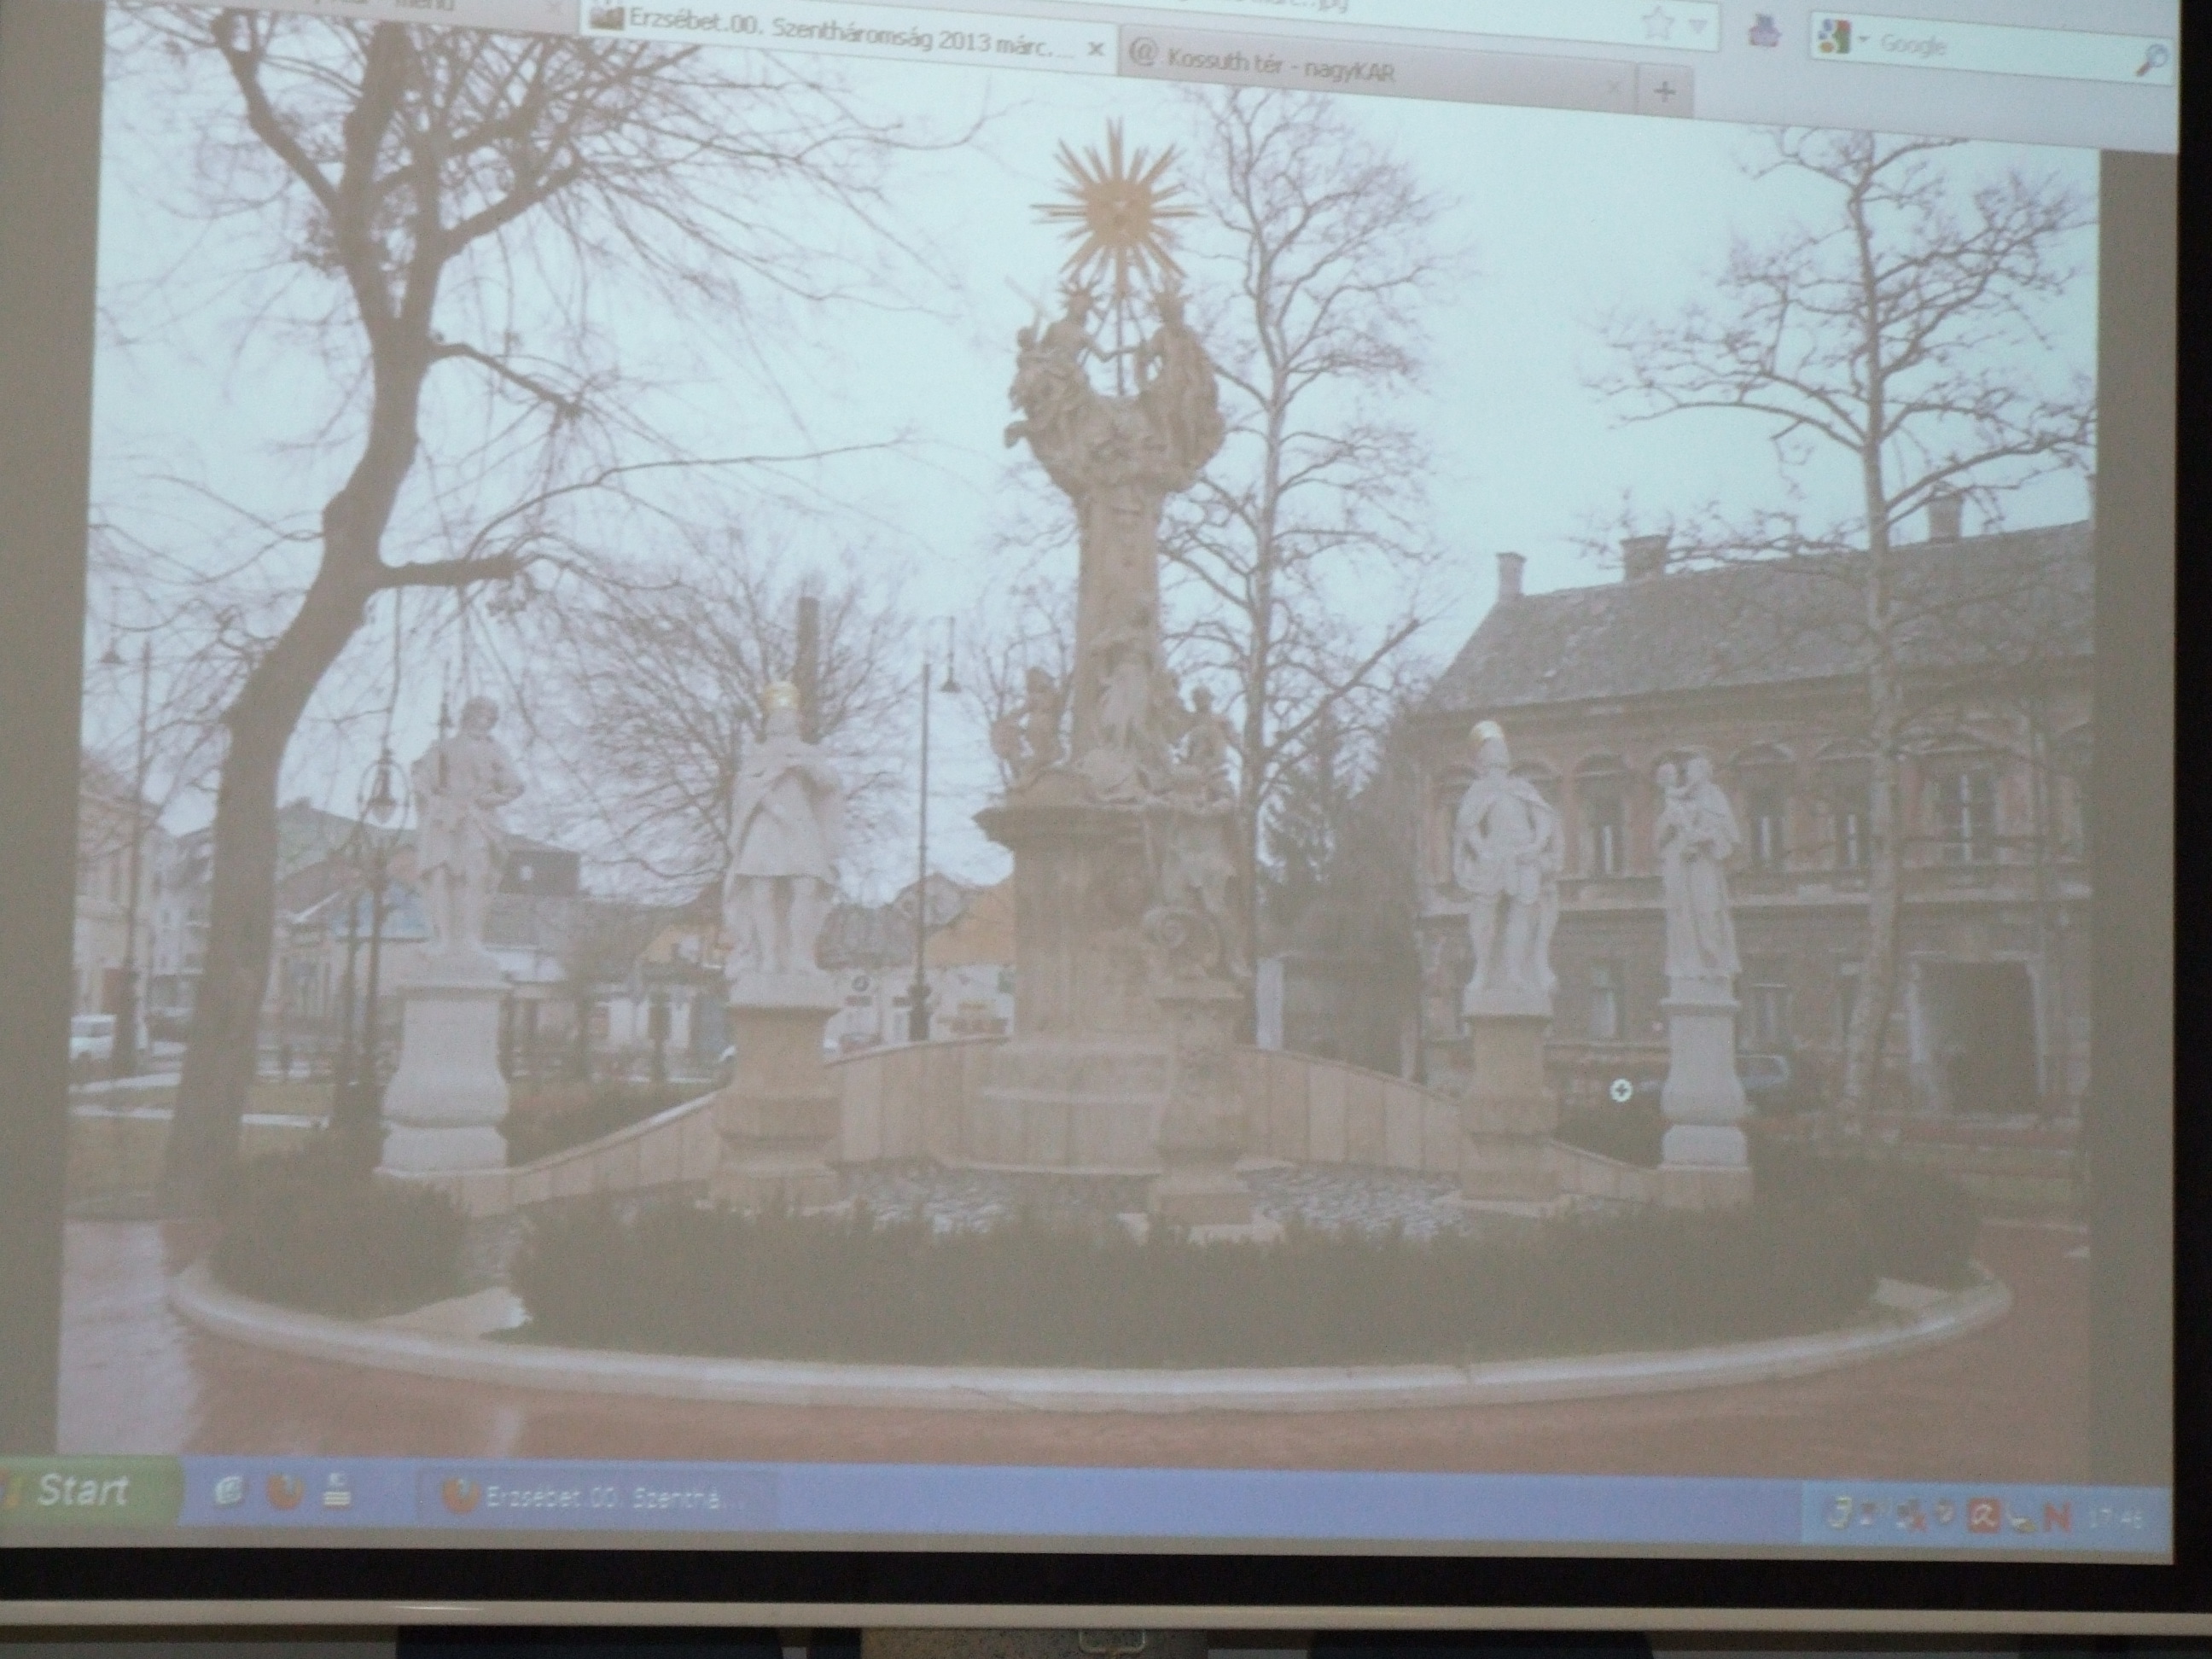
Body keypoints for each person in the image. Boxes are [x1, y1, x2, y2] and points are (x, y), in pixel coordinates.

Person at [725, 682, 844, 979]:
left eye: (789, 715)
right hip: (766, 828)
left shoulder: (808, 753)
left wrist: (804, 766)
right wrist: (768, 800)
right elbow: (744, 791)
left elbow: (829, 785)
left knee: (807, 886)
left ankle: (800, 956)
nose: (784, 721)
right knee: (762, 890)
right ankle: (768, 958)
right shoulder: (758, 754)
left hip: (800, 826)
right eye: (778, 716)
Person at [1451, 719, 1564, 1010]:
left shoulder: (1522, 787)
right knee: (1484, 913)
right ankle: (1482, 971)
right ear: (1482, 759)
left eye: (1501, 749)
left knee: (1523, 912)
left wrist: (1536, 846)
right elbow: (1467, 825)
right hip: (1493, 855)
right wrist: (1481, 850)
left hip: (1524, 855)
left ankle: (1515, 972)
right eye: (1492, 750)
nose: (1498, 754)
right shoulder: (1479, 789)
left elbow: (1544, 819)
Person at [410, 696, 524, 960]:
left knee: (475, 876)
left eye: (492, 717)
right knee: (440, 874)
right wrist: (433, 799)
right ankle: (444, 939)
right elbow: (422, 778)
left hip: (477, 819)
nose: (488, 721)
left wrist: (489, 800)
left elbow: (514, 785)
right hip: (445, 818)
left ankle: (471, 938)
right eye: (484, 714)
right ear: (469, 715)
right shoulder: (443, 747)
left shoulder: (495, 750)